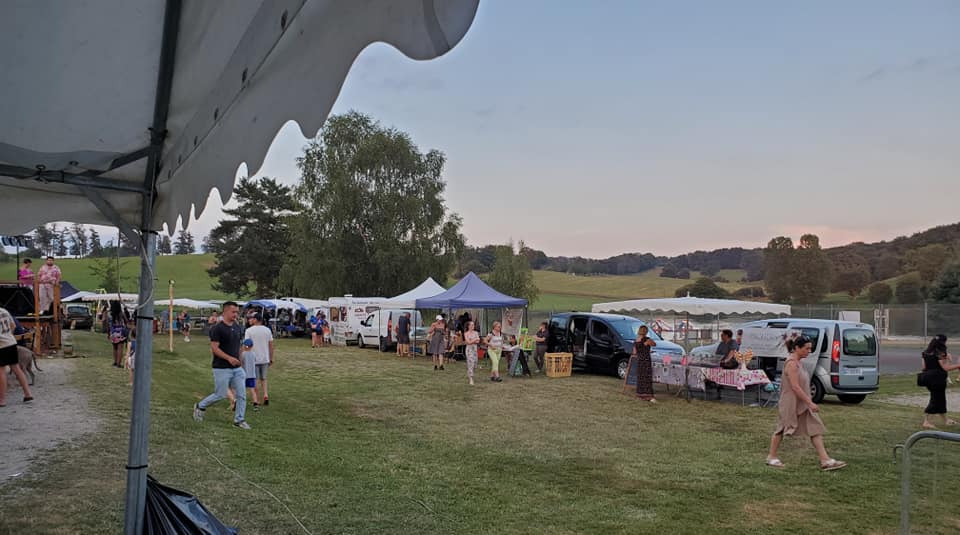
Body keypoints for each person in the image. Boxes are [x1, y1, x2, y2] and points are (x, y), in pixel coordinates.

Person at [766, 335, 846, 471]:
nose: (809, 351)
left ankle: (825, 460)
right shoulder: (791, 364)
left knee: (815, 428)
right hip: (791, 403)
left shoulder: (798, 362)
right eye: (807, 348)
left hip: (802, 403)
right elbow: (795, 387)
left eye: (810, 348)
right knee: (781, 429)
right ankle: (771, 457)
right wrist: (810, 402)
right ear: (797, 348)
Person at [193, 302, 250, 429]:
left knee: (242, 395)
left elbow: (239, 346)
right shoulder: (217, 329)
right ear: (225, 312)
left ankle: (239, 420)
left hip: (237, 369)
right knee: (220, 394)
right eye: (233, 312)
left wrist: (240, 360)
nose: (236, 314)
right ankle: (200, 406)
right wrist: (229, 358)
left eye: (237, 312)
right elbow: (214, 348)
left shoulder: (237, 327)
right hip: (221, 368)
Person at [920, 334, 960, 429]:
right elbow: (946, 368)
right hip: (938, 379)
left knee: (940, 399)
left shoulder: (925, 352)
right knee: (935, 400)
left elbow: (924, 367)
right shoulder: (940, 353)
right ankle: (926, 421)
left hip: (928, 378)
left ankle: (946, 420)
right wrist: (958, 365)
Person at [0, 306, 33, 407]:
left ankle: (2, 400)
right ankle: (28, 394)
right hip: (11, 342)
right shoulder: (4, 310)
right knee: (17, 369)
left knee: (1, 372)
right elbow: (13, 326)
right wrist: (8, 336)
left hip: (1, 345)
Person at [245, 313, 274, 407]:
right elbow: (270, 345)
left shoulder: (249, 331)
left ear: (256, 319)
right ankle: (265, 395)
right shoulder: (267, 330)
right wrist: (271, 357)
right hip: (265, 358)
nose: (249, 320)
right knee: (264, 378)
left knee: (255, 379)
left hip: (254, 358)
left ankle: (256, 399)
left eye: (251, 318)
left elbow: (246, 345)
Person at [633, 325, 657, 402]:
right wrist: (647, 344)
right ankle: (648, 396)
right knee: (647, 377)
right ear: (646, 331)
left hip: (639, 360)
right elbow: (654, 344)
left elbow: (634, 352)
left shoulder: (636, 340)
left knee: (640, 378)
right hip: (646, 360)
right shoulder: (646, 339)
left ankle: (640, 394)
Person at [240, 338, 259, 410]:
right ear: (252, 346)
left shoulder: (243, 354)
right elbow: (255, 361)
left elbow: (241, 363)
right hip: (252, 375)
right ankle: (255, 403)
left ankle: (241, 403)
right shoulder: (253, 354)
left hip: (244, 375)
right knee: (252, 390)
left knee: (242, 390)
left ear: (244, 346)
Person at [464, 320, 481, 385]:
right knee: (470, 362)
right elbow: (468, 342)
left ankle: (469, 372)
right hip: (469, 350)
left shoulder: (476, 333)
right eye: (471, 325)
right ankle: (471, 378)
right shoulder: (466, 333)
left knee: (475, 364)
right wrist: (475, 340)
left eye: (473, 325)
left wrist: (472, 340)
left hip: (475, 349)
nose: (473, 326)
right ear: (468, 326)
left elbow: (478, 341)